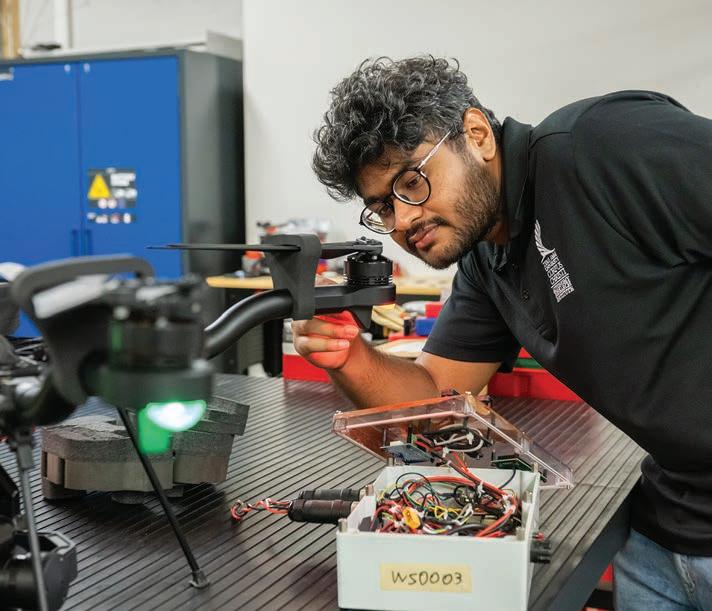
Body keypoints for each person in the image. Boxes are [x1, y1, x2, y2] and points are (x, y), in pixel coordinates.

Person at [292, 56, 712, 609]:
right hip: (666, 529)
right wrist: (348, 355)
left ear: (477, 134)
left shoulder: (602, 145)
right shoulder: (487, 261)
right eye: (382, 207)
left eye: (411, 182)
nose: (402, 221)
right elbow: (434, 399)